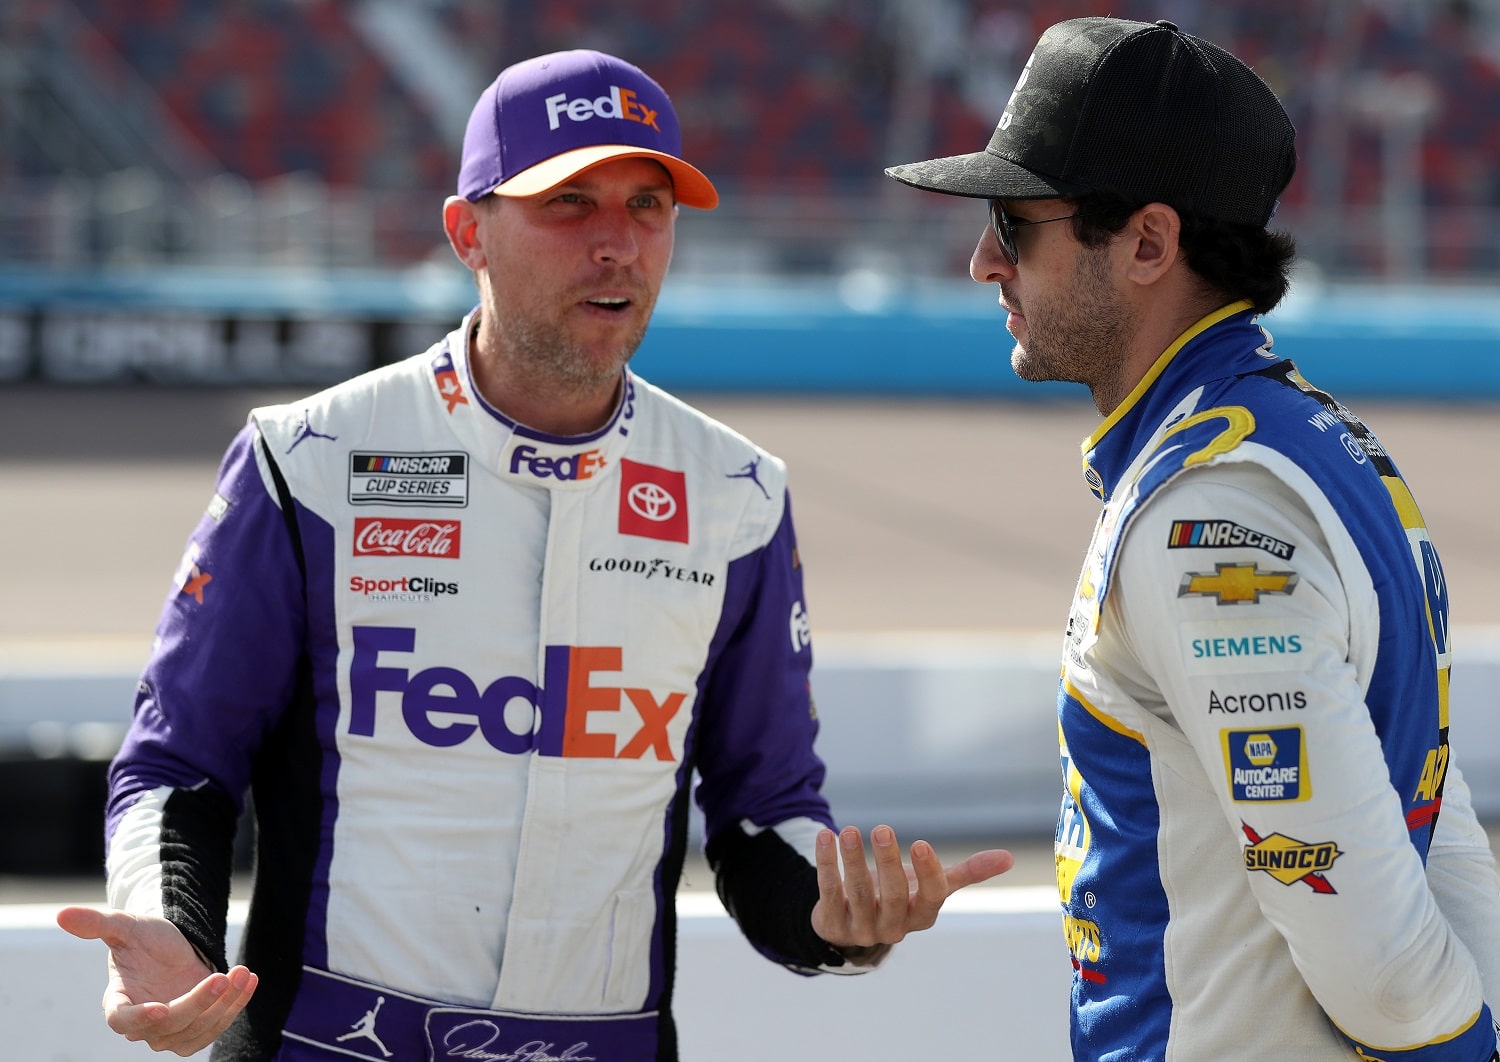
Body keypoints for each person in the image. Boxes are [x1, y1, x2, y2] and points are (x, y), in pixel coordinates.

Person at [57, 48, 1012, 1060]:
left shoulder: (737, 497)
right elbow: (179, 765)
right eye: (570, 204)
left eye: (649, 206)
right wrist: (170, 927)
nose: (618, 244)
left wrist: (834, 914)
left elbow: (764, 811)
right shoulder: (312, 459)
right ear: (468, 231)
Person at [886, 16, 1500, 1062]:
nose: (985, 261)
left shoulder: (1207, 516)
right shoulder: (1313, 442)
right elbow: (1440, 833)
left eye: (1013, 219)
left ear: (1147, 244)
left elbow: (1373, 947)